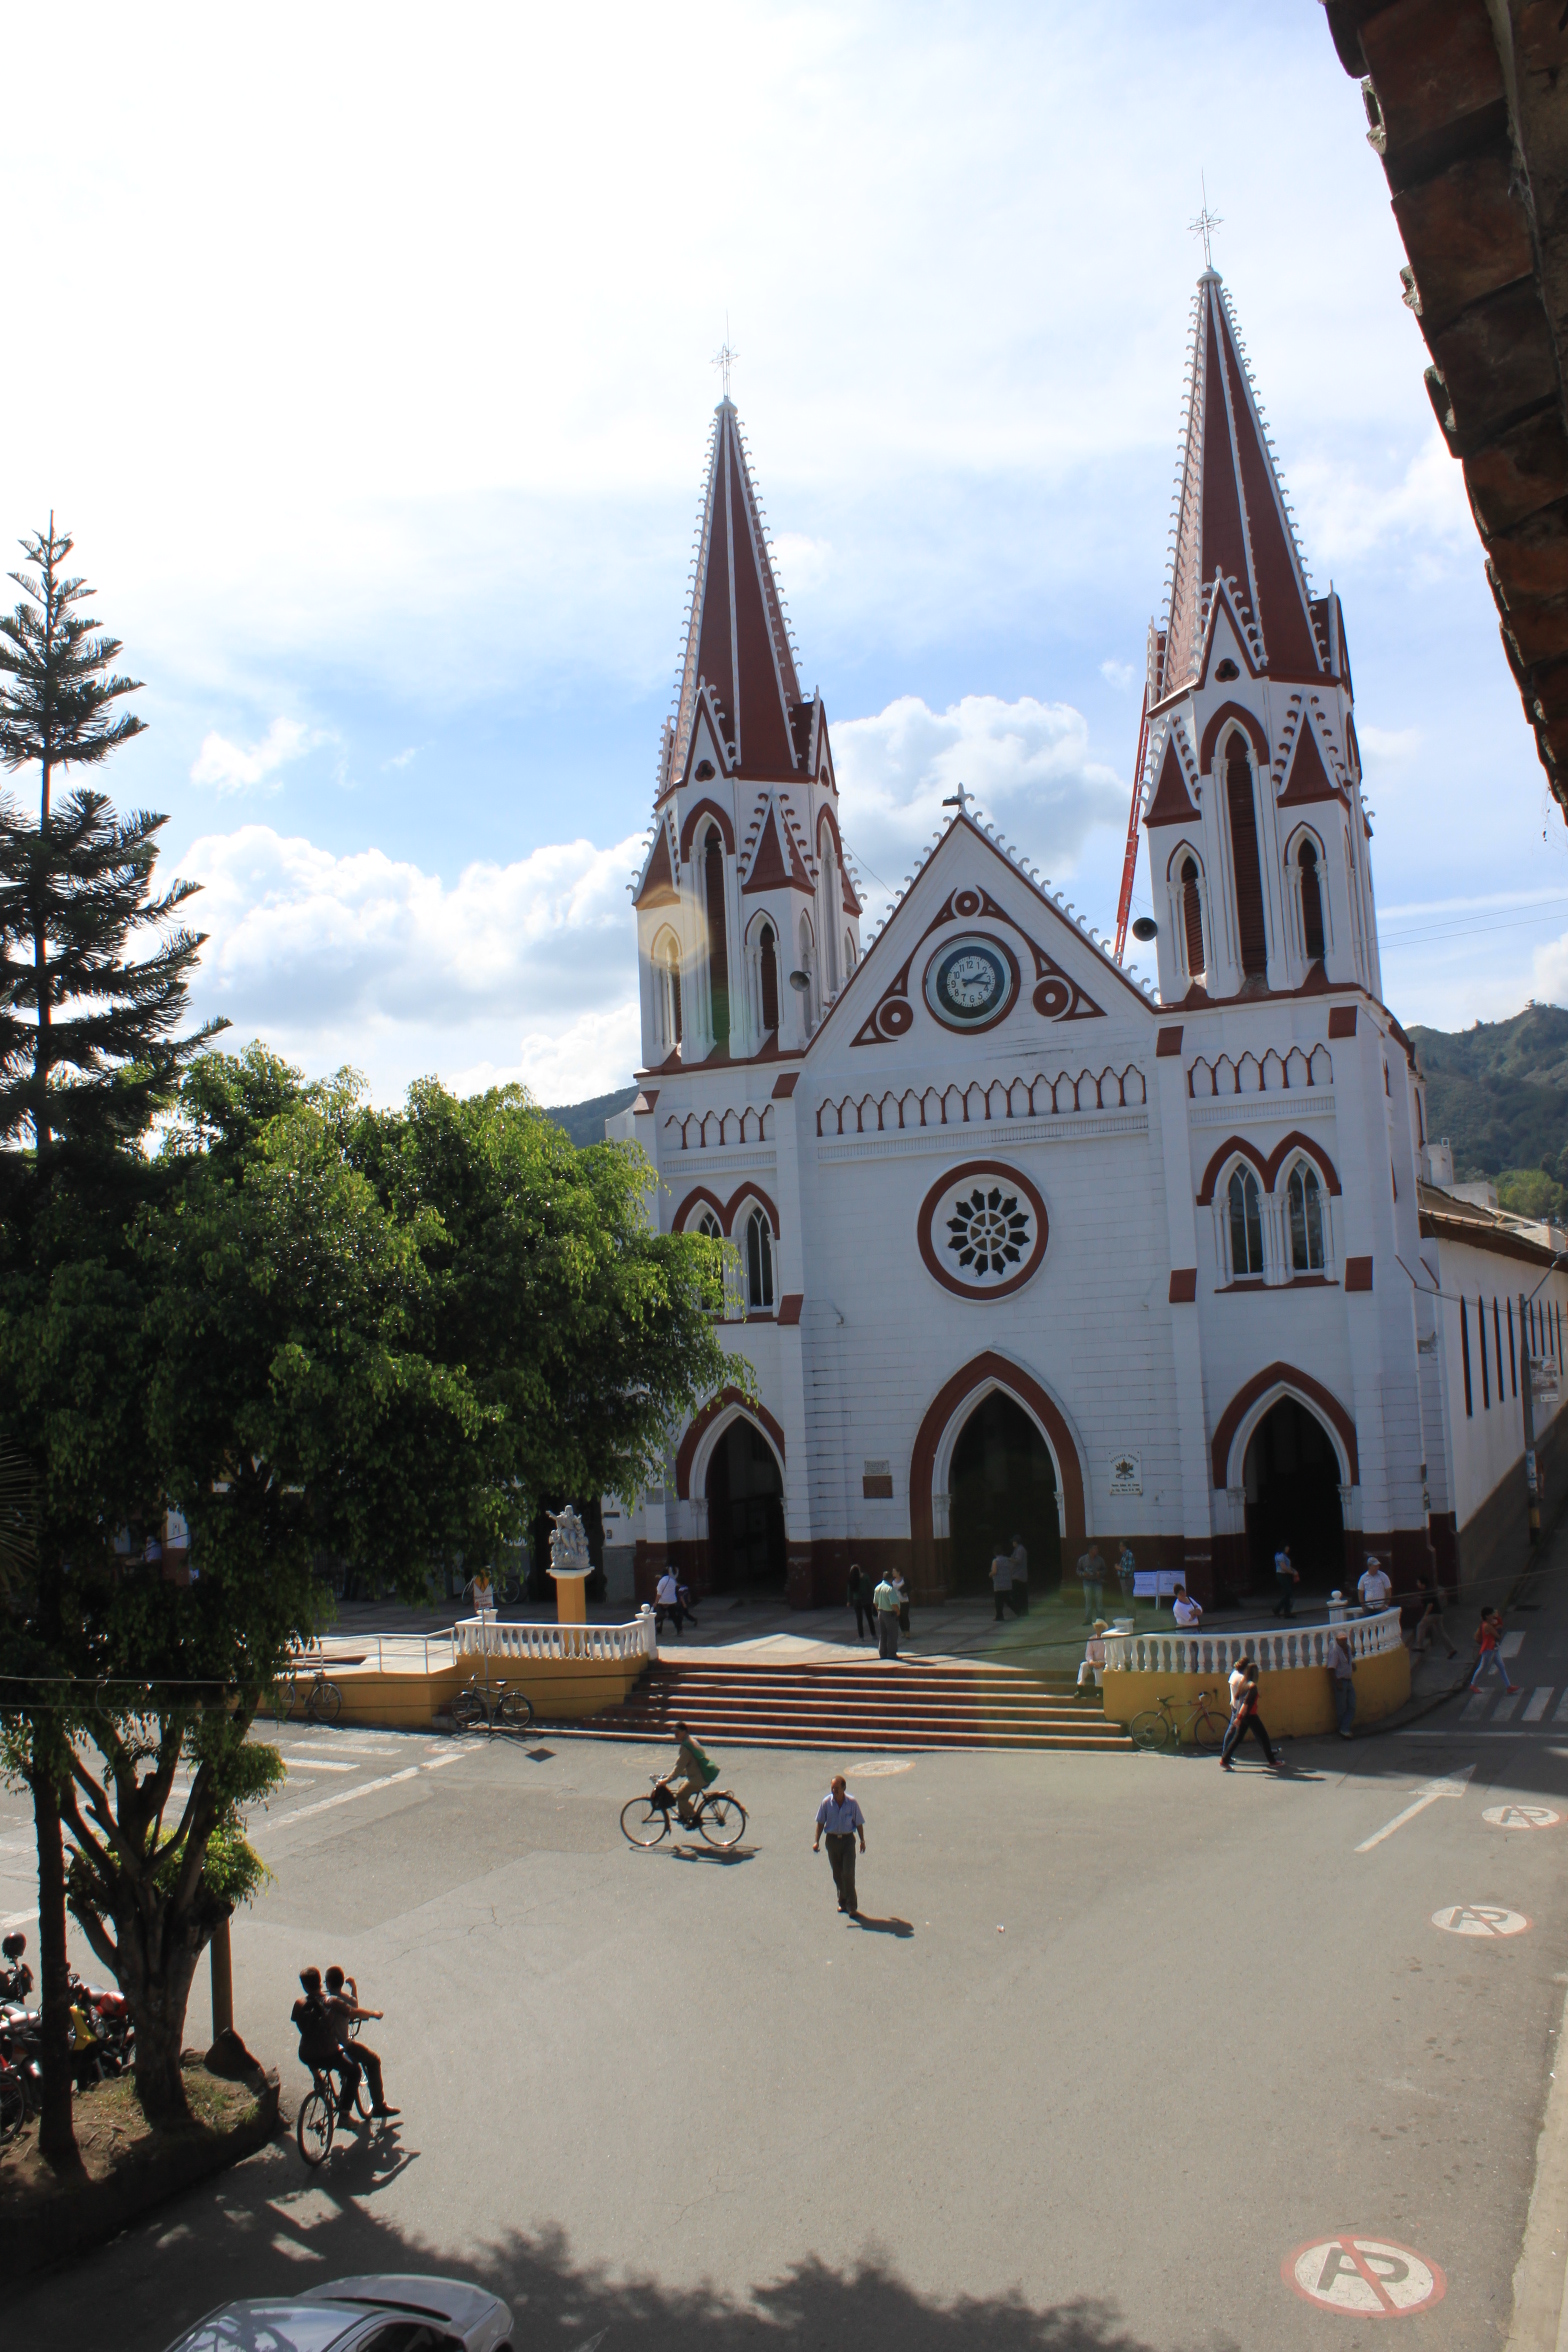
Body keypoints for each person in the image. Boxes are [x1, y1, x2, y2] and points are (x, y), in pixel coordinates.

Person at [324, 1966, 398, 2119]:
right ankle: (379, 2105)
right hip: (343, 2045)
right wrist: (354, 1988)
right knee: (373, 2060)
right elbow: (353, 2010)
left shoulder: (322, 1998)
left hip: (322, 2046)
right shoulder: (343, 1999)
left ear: (328, 1984)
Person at [291, 1966, 361, 2122]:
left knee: (311, 2050)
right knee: (354, 2071)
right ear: (320, 1982)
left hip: (305, 2054)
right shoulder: (331, 2001)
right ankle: (344, 2115)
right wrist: (372, 2014)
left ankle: (318, 2079)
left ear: (305, 1986)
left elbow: (297, 2021)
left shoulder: (299, 2003)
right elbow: (352, 2011)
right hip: (328, 2054)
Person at [812, 1774, 867, 1914]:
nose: (834, 1791)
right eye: (832, 1788)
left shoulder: (852, 1803)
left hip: (848, 1841)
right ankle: (842, 1901)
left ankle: (852, 1905)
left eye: (837, 1788)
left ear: (844, 1788)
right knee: (837, 1874)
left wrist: (862, 1840)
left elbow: (859, 1822)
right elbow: (820, 1822)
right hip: (832, 1841)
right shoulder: (826, 1803)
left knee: (848, 1873)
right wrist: (816, 1841)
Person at [1220, 1658, 1281, 1771]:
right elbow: (1246, 1704)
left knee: (1237, 1738)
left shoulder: (1243, 1684)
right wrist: (1239, 1717)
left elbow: (1237, 1697)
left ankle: (1224, 1759)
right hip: (1250, 1715)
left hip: (1244, 1715)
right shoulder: (1252, 1687)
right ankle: (1272, 1761)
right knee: (1263, 1736)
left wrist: (1239, 1715)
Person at [670, 1717, 718, 1823]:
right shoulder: (692, 1741)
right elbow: (691, 1763)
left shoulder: (686, 1747)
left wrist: (667, 1779)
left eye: (677, 1733)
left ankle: (694, 1817)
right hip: (702, 1774)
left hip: (698, 1778)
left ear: (684, 1732)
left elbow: (679, 1766)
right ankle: (683, 1813)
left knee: (680, 1796)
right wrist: (682, 1773)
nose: (675, 1735)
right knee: (681, 1787)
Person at [1470, 1609, 1520, 1695]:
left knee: (1501, 1666)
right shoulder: (1487, 1626)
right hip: (1488, 1649)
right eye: (1491, 1614)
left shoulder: (1486, 1624)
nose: (1492, 1616)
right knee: (1482, 1667)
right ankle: (1473, 1685)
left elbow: (1498, 1625)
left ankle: (1509, 1687)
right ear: (1486, 1616)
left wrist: (1498, 1619)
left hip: (1493, 1649)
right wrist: (1497, 1627)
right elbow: (1497, 1635)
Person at [1411, 1572, 1459, 1660]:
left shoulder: (1427, 1592)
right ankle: (1451, 1650)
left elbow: (1430, 1605)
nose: (1417, 1584)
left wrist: (1425, 1616)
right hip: (1439, 1614)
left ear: (1422, 1583)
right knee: (1441, 1632)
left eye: (1418, 1582)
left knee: (1420, 1626)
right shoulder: (1429, 1590)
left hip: (1433, 1614)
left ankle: (1419, 1645)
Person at [1330, 1628, 1356, 1739]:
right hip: (1341, 1681)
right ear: (1337, 1641)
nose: (1343, 1642)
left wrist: (1352, 1664)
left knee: (1352, 1705)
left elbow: (1350, 1659)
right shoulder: (1335, 1651)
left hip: (1348, 1680)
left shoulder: (1348, 1649)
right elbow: (1331, 1668)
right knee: (1341, 1707)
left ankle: (1343, 1727)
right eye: (1341, 1640)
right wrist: (1337, 1682)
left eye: (1345, 1639)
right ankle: (1343, 1729)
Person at [846, 1563, 878, 1642]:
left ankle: (861, 1637)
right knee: (869, 1618)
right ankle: (873, 1634)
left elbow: (849, 1591)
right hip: (866, 1599)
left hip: (857, 1600)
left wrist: (849, 1601)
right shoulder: (865, 1577)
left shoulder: (852, 1578)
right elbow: (870, 1587)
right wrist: (874, 1596)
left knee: (859, 1619)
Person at [873, 1571, 901, 1658]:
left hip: (881, 1612)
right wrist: (898, 1611)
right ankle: (891, 1654)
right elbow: (893, 1603)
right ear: (890, 1579)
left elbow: (875, 1602)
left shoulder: (877, 1587)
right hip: (890, 1613)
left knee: (883, 1634)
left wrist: (878, 1610)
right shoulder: (889, 1589)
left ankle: (882, 1653)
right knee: (892, 1634)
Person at [1077, 1544, 1106, 1626]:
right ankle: (1088, 1619)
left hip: (1097, 1582)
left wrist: (1099, 1573)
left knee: (1099, 1601)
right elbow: (1078, 1570)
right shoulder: (1082, 1559)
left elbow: (1104, 1569)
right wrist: (1083, 1574)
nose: (1097, 1550)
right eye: (1095, 1549)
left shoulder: (1100, 1560)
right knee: (1088, 1601)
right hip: (1087, 1582)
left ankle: (1100, 1619)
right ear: (1090, 1550)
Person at [1077, 1620, 1108, 1696]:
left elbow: (1109, 1655)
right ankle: (1080, 1688)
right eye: (1097, 1627)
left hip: (1103, 1662)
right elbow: (1088, 1654)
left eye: (1100, 1627)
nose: (1098, 1629)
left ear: (1103, 1628)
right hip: (1093, 1662)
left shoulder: (1107, 1640)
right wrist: (1091, 1661)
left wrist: (1102, 1662)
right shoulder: (1091, 1639)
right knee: (1083, 1665)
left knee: (1098, 1669)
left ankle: (1100, 1690)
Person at [654, 1567, 685, 1637]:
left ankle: (658, 1630)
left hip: (662, 1601)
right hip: (672, 1601)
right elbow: (677, 1588)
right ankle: (679, 1630)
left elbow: (659, 1593)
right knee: (674, 1616)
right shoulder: (672, 1580)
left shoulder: (661, 1581)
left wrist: (655, 1602)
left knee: (659, 1616)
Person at [1271, 1543, 1300, 1619]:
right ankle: (1277, 1608)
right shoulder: (1280, 1555)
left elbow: (1288, 1567)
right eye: (1287, 1547)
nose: (1288, 1548)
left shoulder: (1283, 1555)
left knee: (1287, 1592)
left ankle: (1287, 1612)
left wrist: (1293, 1571)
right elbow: (1284, 1567)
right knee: (1288, 1592)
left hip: (1286, 1575)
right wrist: (1293, 1572)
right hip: (1282, 1575)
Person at [988, 1544, 1014, 1623]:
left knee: (998, 1601)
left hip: (999, 1584)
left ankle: (999, 1616)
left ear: (995, 1553)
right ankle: (1019, 1611)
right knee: (1008, 1600)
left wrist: (990, 1574)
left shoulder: (995, 1561)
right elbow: (1011, 1568)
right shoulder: (1007, 1559)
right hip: (1007, 1582)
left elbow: (995, 1571)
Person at [1008, 1533, 1029, 1616]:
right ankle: (1023, 1611)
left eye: (1013, 1541)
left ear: (1016, 1542)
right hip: (1020, 1575)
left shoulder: (1020, 1549)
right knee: (1022, 1595)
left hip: (1018, 1576)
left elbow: (1018, 1560)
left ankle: (1020, 1611)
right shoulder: (1018, 1549)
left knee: (1017, 1595)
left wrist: (1010, 1559)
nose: (1012, 1543)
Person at [893, 1567, 912, 1634]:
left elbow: (909, 1587)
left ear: (898, 1572)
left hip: (904, 1601)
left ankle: (907, 1631)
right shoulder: (892, 1581)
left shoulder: (904, 1580)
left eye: (894, 1571)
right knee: (899, 1616)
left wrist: (906, 1592)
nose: (893, 1573)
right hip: (896, 1601)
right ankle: (902, 1630)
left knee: (904, 1616)